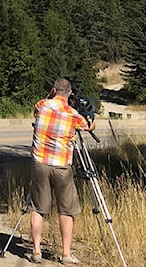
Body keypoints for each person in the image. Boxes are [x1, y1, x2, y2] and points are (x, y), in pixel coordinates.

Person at [28, 78, 96, 265]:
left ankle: (36, 251)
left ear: (53, 90)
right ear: (70, 93)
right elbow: (89, 126)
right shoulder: (73, 115)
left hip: (40, 163)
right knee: (66, 209)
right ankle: (66, 254)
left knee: (38, 207)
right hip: (62, 165)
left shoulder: (42, 105)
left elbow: (37, 109)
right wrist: (90, 117)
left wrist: (51, 95)